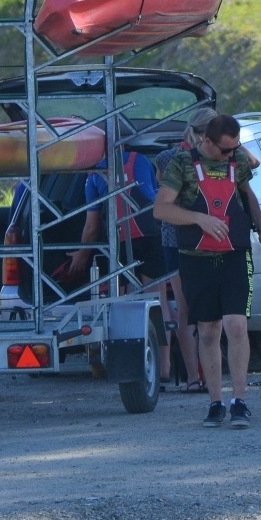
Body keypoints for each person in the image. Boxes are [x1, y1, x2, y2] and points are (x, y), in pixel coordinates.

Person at [153, 114, 261, 428]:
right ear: (206, 141)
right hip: (196, 259)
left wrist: (260, 224)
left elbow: (247, 194)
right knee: (208, 331)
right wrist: (199, 218)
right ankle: (215, 402)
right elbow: (161, 208)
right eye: (224, 150)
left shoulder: (238, 162)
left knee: (236, 325)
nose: (229, 155)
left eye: (234, 149)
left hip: (235, 255)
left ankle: (239, 401)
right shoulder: (180, 164)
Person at [70, 143, 168, 381]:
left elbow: (92, 226)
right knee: (159, 303)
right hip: (152, 236)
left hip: (121, 242)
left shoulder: (93, 176)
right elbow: (156, 198)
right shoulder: (141, 159)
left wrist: (81, 255)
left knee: (122, 306)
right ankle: (164, 369)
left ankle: (124, 367)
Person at [155, 107, 213, 392]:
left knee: (186, 307)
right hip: (185, 236)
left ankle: (195, 377)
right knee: (192, 308)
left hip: (180, 237)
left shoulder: (165, 157)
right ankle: (196, 375)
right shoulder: (176, 158)